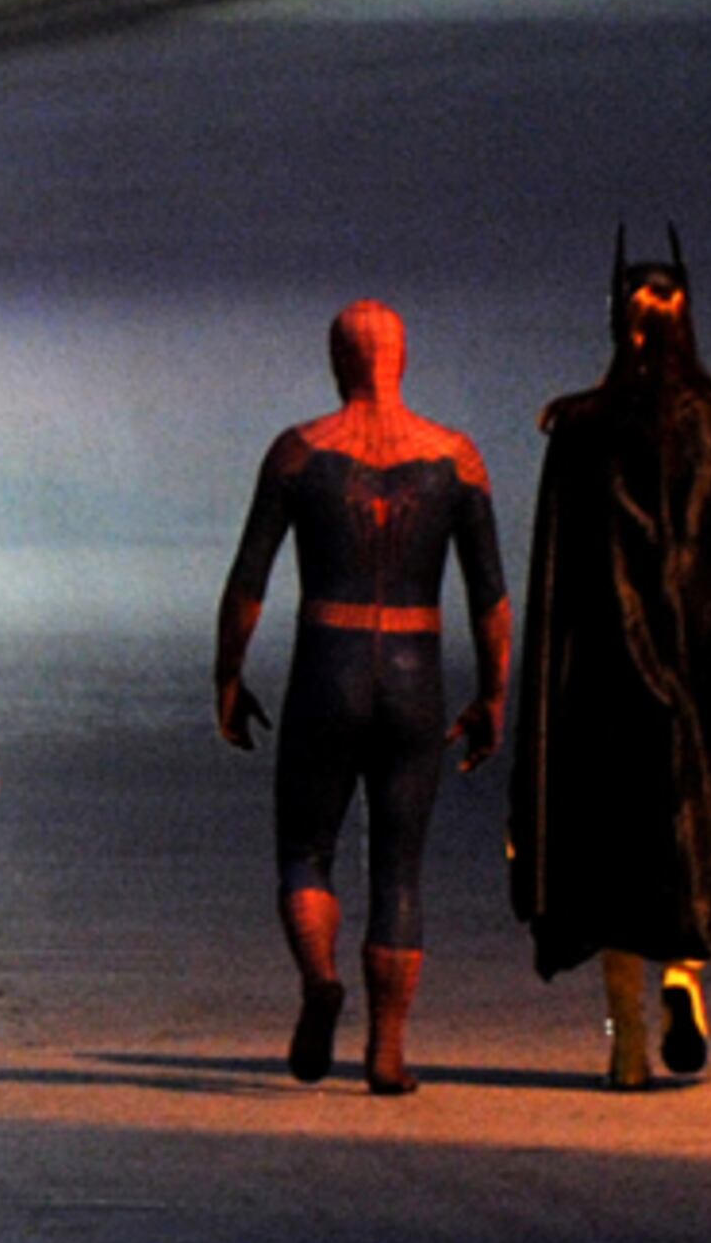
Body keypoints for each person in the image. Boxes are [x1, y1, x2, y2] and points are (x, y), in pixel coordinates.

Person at [509, 234, 711, 1088]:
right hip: (707, 666)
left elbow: (565, 574)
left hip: (611, 672)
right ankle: (684, 980)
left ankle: (624, 1046)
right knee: (697, 833)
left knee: (612, 848)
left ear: (619, 323)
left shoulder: (579, 427)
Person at [213, 301, 511, 1096]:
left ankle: (319, 978)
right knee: (400, 869)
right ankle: (387, 1050)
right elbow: (490, 596)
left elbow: (250, 580)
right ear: (401, 360)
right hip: (416, 668)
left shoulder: (299, 453)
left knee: (305, 850)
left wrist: (227, 676)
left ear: (335, 360)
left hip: (327, 662)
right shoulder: (457, 458)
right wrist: (494, 694)